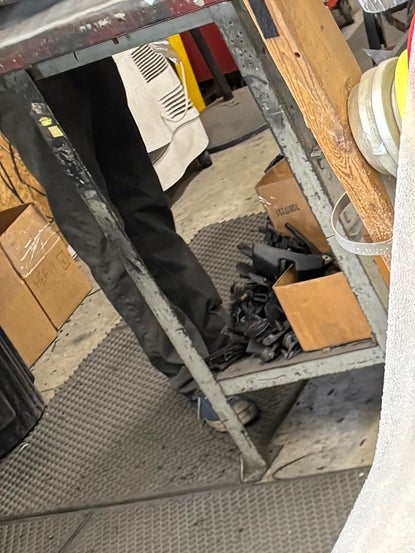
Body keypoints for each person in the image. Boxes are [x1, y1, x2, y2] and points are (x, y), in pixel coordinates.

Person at [0, 60, 256, 428]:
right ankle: (190, 375)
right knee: (103, 236)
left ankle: (215, 334)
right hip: (14, 71)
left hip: (69, 46)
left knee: (141, 200)